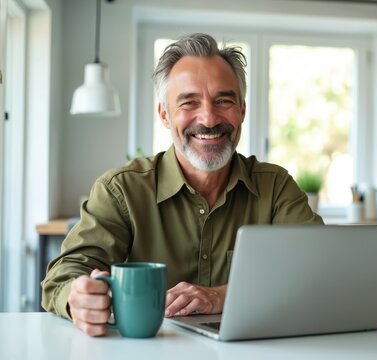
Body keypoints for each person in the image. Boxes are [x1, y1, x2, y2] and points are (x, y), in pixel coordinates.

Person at [42, 33, 323, 336]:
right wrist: (78, 298)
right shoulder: (121, 190)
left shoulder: (276, 188)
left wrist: (222, 295)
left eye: (223, 101)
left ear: (242, 109)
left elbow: (321, 269)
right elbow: (62, 277)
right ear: (165, 114)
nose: (209, 118)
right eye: (189, 102)